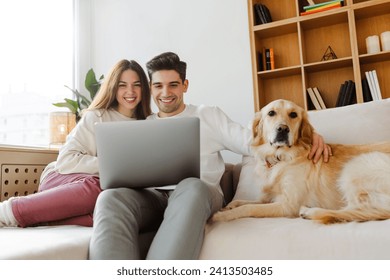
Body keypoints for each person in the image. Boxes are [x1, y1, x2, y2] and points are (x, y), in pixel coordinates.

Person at [88, 52, 330, 260]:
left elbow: (256, 141)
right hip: (154, 198)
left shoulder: (208, 115)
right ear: (151, 88)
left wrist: (310, 136)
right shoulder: (143, 124)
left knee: (191, 186)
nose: (166, 93)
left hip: (199, 194)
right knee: (110, 198)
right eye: (158, 86)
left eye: (173, 84)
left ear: (185, 85)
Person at [0, 59, 151, 228]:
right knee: (98, 187)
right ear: (113, 87)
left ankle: (43, 217)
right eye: (122, 85)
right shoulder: (97, 117)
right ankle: (8, 211)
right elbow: (65, 160)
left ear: (144, 88)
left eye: (136, 85)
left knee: (109, 212)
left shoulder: (147, 124)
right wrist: (111, 167)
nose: (130, 91)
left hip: (101, 191)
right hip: (61, 177)